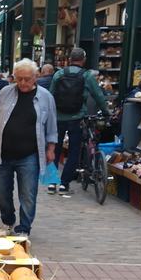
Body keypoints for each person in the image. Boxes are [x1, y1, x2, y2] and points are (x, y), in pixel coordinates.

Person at [0, 59, 57, 235]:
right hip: (1, 153)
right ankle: (8, 223)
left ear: (36, 77)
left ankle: (24, 229)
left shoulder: (46, 97)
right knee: (2, 192)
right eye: (19, 78)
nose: (22, 83)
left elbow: (52, 127)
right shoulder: (5, 93)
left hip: (29, 155)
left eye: (27, 79)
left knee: (28, 195)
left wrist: (51, 149)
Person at [48, 47, 109, 194]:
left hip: (58, 117)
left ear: (69, 59)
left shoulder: (59, 74)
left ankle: (51, 183)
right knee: (74, 151)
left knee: (54, 149)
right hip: (77, 118)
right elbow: (98, 95)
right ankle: (64, 184)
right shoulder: (87, 76)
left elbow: (50, 96)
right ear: (83, 60)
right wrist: (106, 112)